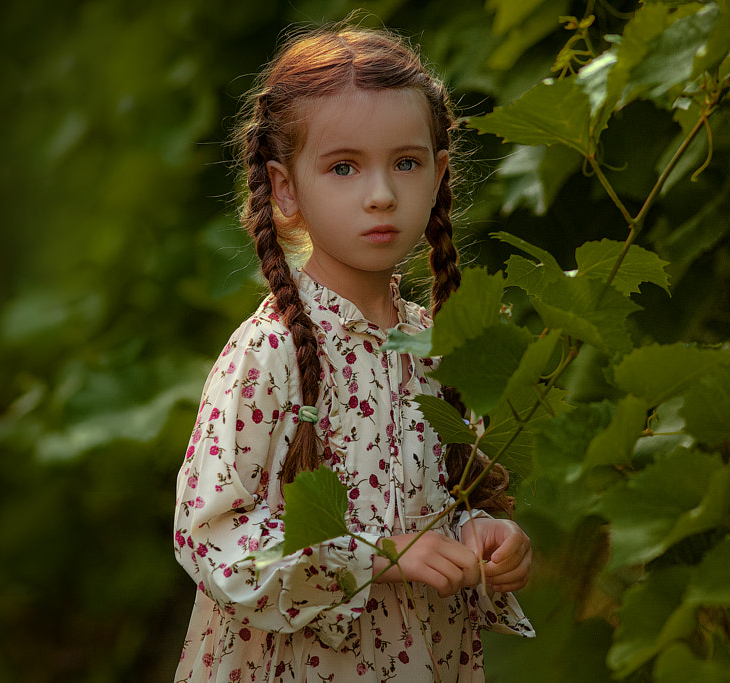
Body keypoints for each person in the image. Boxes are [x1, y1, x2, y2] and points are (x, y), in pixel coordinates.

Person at [173, 23, 534, 683]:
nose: (381, 194)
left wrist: (479, 534)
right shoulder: (272, 349)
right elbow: (214, 540)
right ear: (285, 189)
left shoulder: (435, 343)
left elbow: (430, 499)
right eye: (344, 166)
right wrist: (380, 554)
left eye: (406, 162)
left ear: (438, 173)